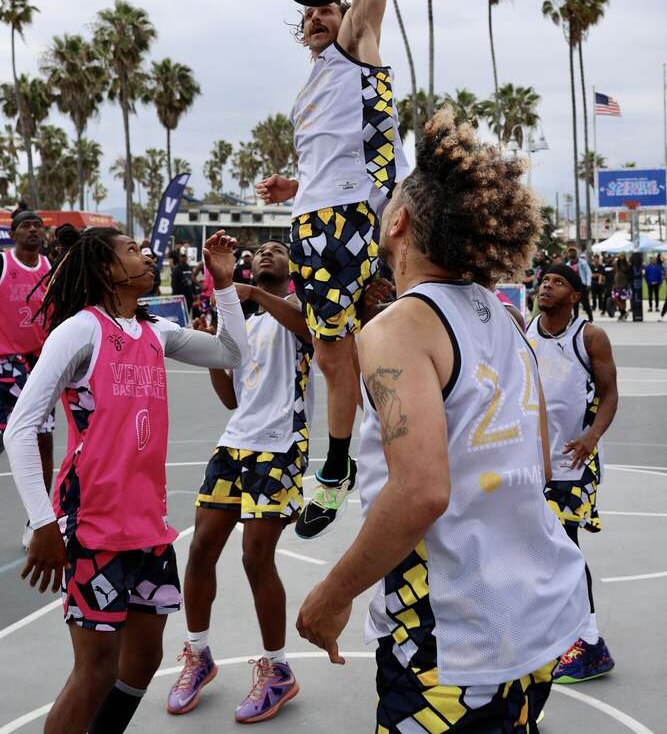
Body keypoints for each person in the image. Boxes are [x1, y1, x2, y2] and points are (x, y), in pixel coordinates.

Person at [296, 109, 589, 733]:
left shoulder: (399, 327)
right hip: (530, 611)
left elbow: (422, 490)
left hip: (450, 628)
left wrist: (335, 592)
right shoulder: (506, 319)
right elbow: (537, 461)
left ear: (398, 222)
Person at [4, 227, 248, 734]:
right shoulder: (81, 331)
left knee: (141, 661)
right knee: (95, 668)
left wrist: (223, 286)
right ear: (105, 269)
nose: (147, 254)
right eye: (133, 250)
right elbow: (22, 427)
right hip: (91, 522)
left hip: (147, 526)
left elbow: (230, 353)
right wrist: (43, 521)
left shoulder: (156, 332)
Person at [256, 0, 410, 540]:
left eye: (329, 7)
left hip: (355, 214)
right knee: (329, 350)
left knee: (362, 338)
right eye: (310, 13)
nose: (318, 16)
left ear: (348, 15)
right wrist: (294, 188)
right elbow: (328, 152)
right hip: (313, 218)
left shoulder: (356, 46)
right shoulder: (311, 84)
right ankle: (348, 459)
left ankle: (346, 461)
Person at [167, 241, 314, 722]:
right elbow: (231, 398)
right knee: (201, 548)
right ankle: (198, 653)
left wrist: (244, 288)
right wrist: (213, 349)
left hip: (281, 445)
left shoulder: (302, 306)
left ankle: (278, 669)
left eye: (276, 249)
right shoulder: (243, 323)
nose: (265, 254)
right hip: (235, 444)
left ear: (292, 266)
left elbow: (309, 330)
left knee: (255, 557)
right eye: (259, 252)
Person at [527, 264, 618, 683]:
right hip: (534, 461)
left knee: (565, 547)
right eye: (544, 279)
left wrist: (592, 436)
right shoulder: (527, 327)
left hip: (573, 461)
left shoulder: (589, 336)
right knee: (539, 549)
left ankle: (591, 642)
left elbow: (610, 393)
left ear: (576, 296)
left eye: (558, 281)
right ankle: (561, 632)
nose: (547, 285)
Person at [0, 211, 53, 550]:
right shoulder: (3, 264)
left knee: (43, 443)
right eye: (26, 225)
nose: (33, 230)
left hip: (42, 365)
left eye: (38, 225)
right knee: (14, 443)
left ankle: (37, 521)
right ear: (13, 232)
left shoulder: (51, 268)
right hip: (5, 364)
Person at [171, 247, 195, 313]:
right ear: (179, 257)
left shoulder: (189, 268)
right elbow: (174, 284)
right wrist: (176, 297)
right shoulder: (176, 269)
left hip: (189, 297)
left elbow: (192, 281)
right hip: (180, 296)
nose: (183, 258)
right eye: (182, 256)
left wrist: (194, 293)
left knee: (187, 314)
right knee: (179, 314)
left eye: (184, 256)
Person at [612, 253, 632, 320]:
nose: (621, 257)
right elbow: (614, 271)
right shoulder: (616, 264)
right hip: (616, 284)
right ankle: (624, 312)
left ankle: (622, 314)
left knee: (623, 300)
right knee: (616, 299)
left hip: (624, 284)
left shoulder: (626, 265)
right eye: (620, 256)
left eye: (622, 256)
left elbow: (627, 271)